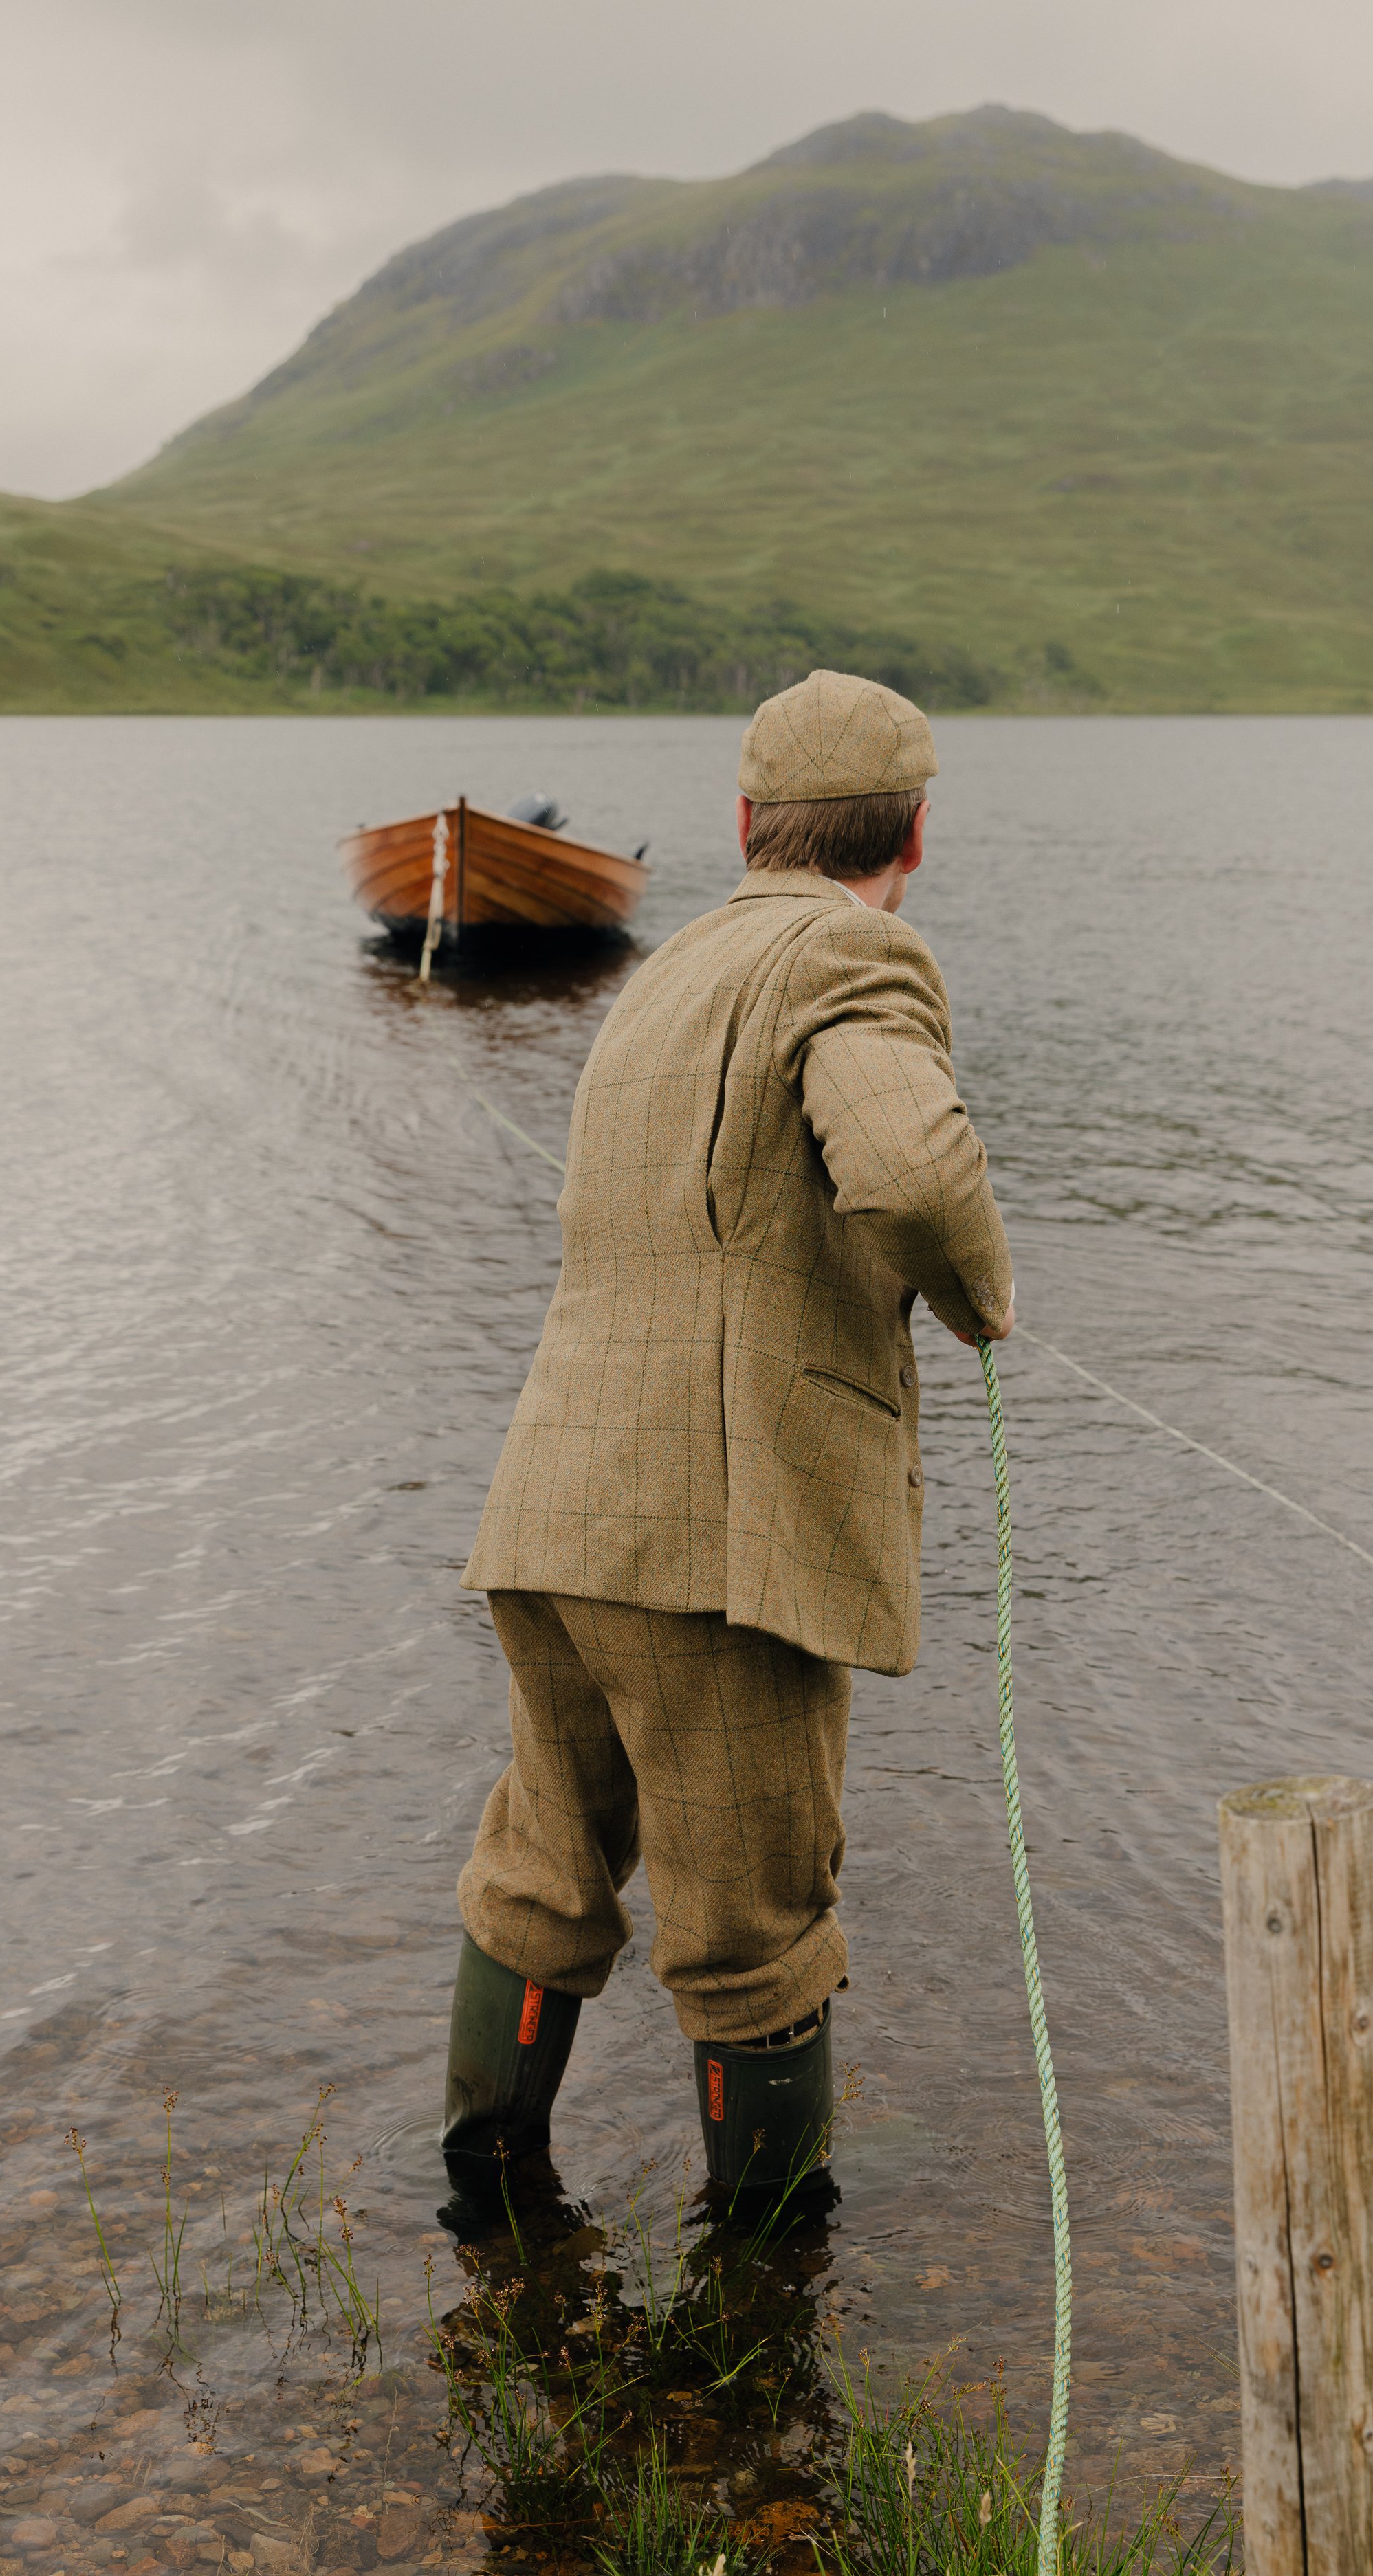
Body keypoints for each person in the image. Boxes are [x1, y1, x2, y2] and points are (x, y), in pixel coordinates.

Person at [442, 667, 1014, 2213]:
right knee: (754, 1931)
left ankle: (486, 2210)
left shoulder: (669, 965)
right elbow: (904, 1167)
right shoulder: (854, 944)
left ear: (748, 821)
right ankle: (763, 2295)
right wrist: (979, 1303)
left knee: (541, 1863)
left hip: (553, 1510)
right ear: (913, 832)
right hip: (717, 1538)